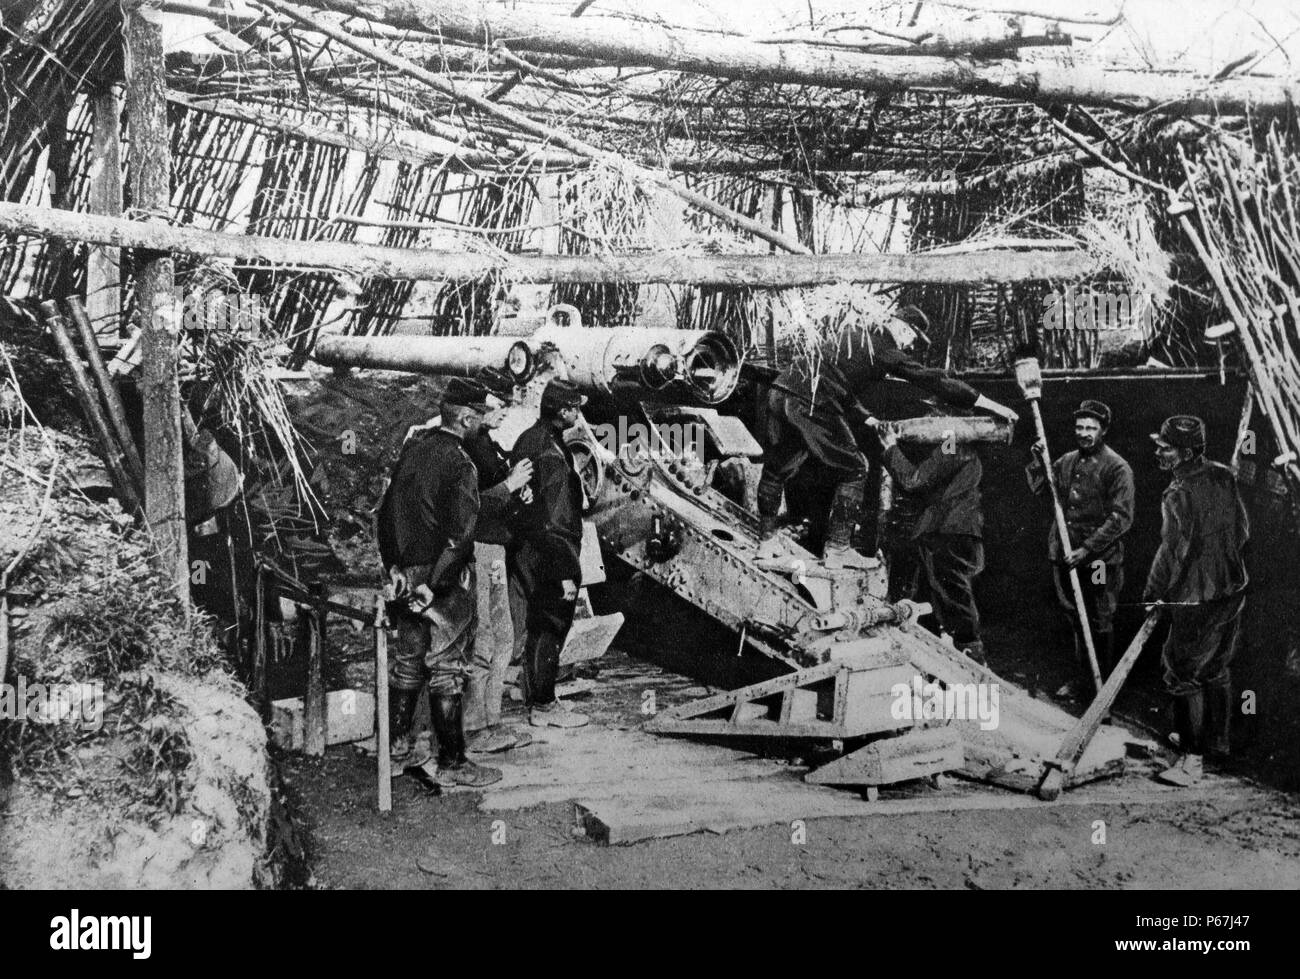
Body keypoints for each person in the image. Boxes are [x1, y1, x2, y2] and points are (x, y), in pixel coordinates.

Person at [757, 306, 1018, 569]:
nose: (910, 345)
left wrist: (870, 422)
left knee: (779, 466)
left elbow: (835, 380)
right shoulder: (951, 439)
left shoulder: (852, 335)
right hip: (946, 535)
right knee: (855, 468)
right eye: (912, 339)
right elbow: (915, 480)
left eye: (936, 409)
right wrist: (991, 405)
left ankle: (766, 542)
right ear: (903, 328)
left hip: (783, 389)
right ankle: (837, 549)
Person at [376, 377, 502, 788]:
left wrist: (395, 567)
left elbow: (385, 513)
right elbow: (460, 536)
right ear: (466, 418)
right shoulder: (461, 464)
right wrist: (438, 582)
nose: (484, 426)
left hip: (405, 575)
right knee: (449, 666)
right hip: (440, 580)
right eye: (481, 418)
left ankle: (396, 750)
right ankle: (452, 762)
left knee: (408, 661)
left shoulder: (413, 450)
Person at [1144, 415, 1249, 787]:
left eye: (1165, 447)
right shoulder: (1224, 475)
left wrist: (1155, 592)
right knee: (1216, 668)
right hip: (1233, 587)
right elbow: (1243, 530)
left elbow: (1173, 549)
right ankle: (1215, 744)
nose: (1158, 451)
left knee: (1180, 671)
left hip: (1198, 596)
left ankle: (1191, 759)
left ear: (1185, 453)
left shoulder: (1177, 493)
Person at [1027, 399, 1134, 688]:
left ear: (1104, 431)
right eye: (1080, 427)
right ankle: (1082, 680)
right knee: (1075, 618)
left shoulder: (1117, 468)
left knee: (1100, 621)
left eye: (1091, 428)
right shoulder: (1066, 461)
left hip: (1099, 561)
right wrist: (1039, 461)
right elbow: (1040, 489)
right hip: (1064, 555)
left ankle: (1102, 690)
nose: (1084, 433)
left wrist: (1087, 549)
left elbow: (1121, 518)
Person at [460, 367, 535, 753]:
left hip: (494, 549)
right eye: (499, 403)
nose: (506, 410)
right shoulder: (466, 448)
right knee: (484, 638)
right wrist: (509, 486)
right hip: (479, 551)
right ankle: (476, 727)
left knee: (502, 636)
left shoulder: (486, 443)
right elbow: (468, 504)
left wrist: (513, 494)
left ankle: (491, 720)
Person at [508, 378, 590, 729]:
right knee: (551, 624)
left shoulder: (529, 439)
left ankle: (535, 694)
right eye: (575, 407)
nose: (579, 412)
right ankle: (543, 705)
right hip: (550, 553)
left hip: (526, 549)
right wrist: (566, 570)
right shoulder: (554, 455)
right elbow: (556, 521)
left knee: (536, 623)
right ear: (564, 411)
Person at [878, 415, 987, 663]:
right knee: (942, 591)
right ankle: (953, 653)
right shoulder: (964, 448)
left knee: (952, 592)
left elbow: (914, 480)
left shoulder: (952, 443)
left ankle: (971, 657)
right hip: (954, 529)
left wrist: (890, 448)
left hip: (950, 529)